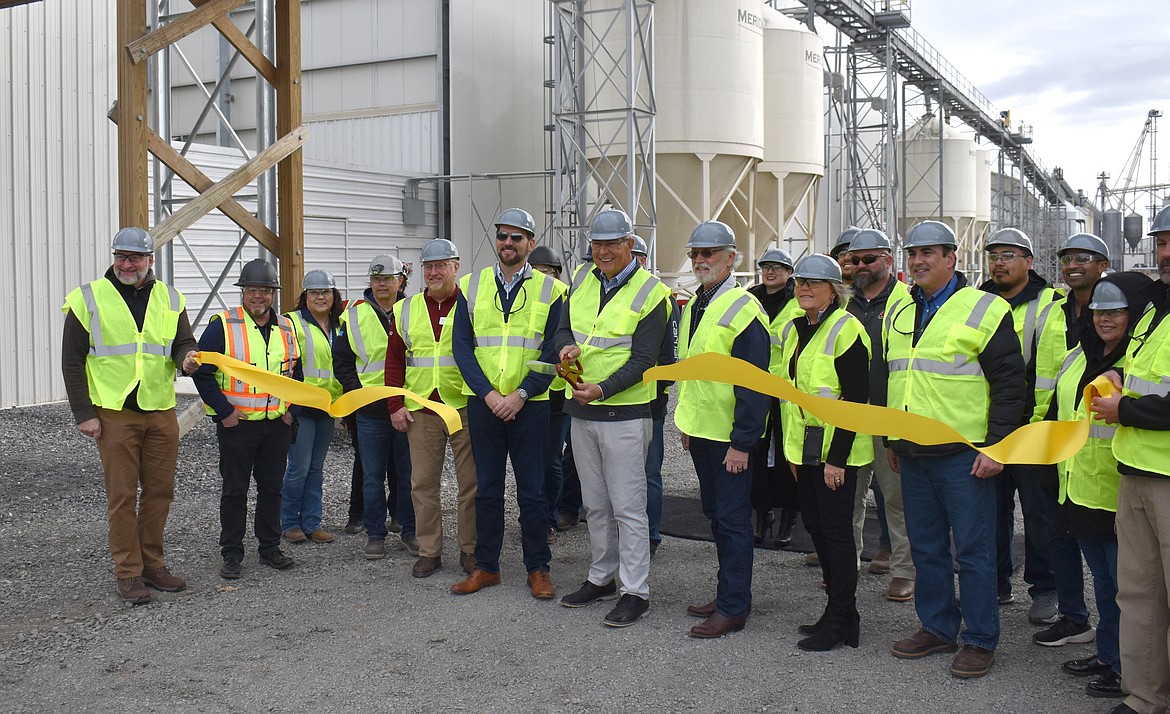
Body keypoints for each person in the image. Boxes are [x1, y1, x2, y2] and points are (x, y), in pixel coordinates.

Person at [882, 220, 1025, 679]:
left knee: (973, 551)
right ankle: (938, 627)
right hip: (915, 452)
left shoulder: (984, 308)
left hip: (965, 454)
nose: (918, 261)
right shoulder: (899, 309)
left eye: (929, 253)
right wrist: (892, 437)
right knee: (926, 548)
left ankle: (981, 639)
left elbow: (1009, 384)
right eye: (912, 254)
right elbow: (895, 376)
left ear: (951, 259)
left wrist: (997, 446)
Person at [61, 227, 199, 603]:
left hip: (159, 409)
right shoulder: (88, 298)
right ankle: (129, 572)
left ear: (149, 260)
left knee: (159, 492)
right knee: (121, 496)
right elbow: (71, 361)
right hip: (113, 412)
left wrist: (186, 358)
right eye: (120, 256)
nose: (126, 264)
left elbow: (182, 341)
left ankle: (153, 565)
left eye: (134, 258)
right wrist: (83, 413)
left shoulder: (170, 297)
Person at [554, 209, 673, 627]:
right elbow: (563, 329)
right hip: (582, 408)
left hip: (624, 412)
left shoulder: (652, 293)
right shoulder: (583, 280)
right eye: (597, 245)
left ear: (630, 245)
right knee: (595, 504)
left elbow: (645, 360)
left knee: (628, 506)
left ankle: (635, 590)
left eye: (612, 244)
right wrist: (566, 346)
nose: (603, 252)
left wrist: (602, 389)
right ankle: (601, 576)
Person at [450, 207, 563, 599]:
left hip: (529, 405)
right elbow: (462, 349)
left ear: (531, 244)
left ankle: (538, 568)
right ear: (495, 240)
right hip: (485, 404)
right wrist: (490, 395)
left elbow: (553, 349)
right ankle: (487, 567)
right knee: (487, 490)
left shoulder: (552, 291)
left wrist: (520, 394)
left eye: (517, 237)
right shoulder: (472, 285)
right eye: (503, 236)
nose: (509, 243)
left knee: (533, 490)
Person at [1052, 273, 1152, 701]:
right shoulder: (1079, 356)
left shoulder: (1136, 363)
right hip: (1079, 487)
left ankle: (1125, 667)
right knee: (1104, 583)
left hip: (1116, 488)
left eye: (1115, 312)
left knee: (1122, 588)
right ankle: (1109, 655)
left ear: (1132, 316)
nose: (1105, 319)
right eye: (1098, 312)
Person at [1090, 205, 1170, 714]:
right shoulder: (1155, 310)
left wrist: (1128, 408)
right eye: (1161, 242)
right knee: (1138, 595)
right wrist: (1121, 383)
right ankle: (1144, 697)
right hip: (1136, 469)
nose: (1165, 253)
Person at [675, 220, 771, 638]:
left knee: (732, 520)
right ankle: (729, 593)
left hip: (731, 439)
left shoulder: (743, 307)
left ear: (731, 258)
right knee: (716, 516)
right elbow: (696, 371)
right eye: (696, 253)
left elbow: (754, 383)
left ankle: (733, 606)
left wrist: (743, 443)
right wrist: (688, 423)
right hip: (703, 432)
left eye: (709, 253)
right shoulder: (699, 303)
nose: (700, 260)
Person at [778, 254, 871, 651]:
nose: (803, 288)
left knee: (836, 535)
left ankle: (841, 617)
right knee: (816, 527)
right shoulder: (798, 328)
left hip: (837, 453)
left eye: (814, 283)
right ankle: (840, 613)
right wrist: (796, 455)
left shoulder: (846, 329)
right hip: (805, 449)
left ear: (835, 291)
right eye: (800, 282)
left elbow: (855, 400)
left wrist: (836, 458)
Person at [977, 228, 1065, 623]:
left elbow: (1054, 370)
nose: (999, 262)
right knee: (989, 511)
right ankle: (996, 584)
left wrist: (1042, 423)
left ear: (1028, 261)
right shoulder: (975, 303)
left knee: (1038, 512)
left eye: (1008, 255)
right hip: (987, 425)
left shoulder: (1050, 304)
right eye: (993, 255)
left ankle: (1044, 589)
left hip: (1031, 425)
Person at [193, 258, 300, 580]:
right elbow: (202, 373)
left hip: (276, 424)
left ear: (273, 294)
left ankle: (269, 549)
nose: (258, 296)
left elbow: (295, 371)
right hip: (237, 426)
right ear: (243, 292)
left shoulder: (286, 327)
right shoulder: (223, 326)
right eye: (252, 290)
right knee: (235, 491)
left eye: (265, 291)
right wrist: (224, 412)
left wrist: (292, 409)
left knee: (272, 490)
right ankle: (232, 553)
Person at [1028, 233, 1110, 646]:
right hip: (1052, 433)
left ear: (1102, 264)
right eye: (1066, 259)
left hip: (1096, 438)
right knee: (1055, 530)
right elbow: (1040, 371)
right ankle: (1073, 616)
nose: (1072, 265)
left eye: (1083, 258)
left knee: (1097, 538)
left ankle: (1112, 630)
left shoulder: (1116, 310)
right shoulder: (1051, 309)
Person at [385, 239, 478, 578]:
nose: (434, 272)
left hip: (465, 405)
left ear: (456, 267)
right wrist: (395, 404)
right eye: (428, 267)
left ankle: (470, 550)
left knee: (471, 484)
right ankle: (429, 551)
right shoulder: (405, 309)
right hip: (421, 408)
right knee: (422, 484)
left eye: (441, 265)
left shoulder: (472, 306)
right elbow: (394, 361)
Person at [843, 228, 915, 602]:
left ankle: (904, 570)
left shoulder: (907, 303)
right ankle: (846, 564)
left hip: (887, 413)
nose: (861, 266)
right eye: (855, 260)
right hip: (850, 413)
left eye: (869, 259)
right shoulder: (844, 302)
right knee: (849, 495)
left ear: (888, 260)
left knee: (896, 497)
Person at [333, 255, 416, 561]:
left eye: (388, 279)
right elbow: (342, 362)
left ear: (401, 281)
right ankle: (375, 535)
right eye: (376, 279)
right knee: (371, 476)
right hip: (369, 410)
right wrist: (357, 394)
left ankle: (408, 529)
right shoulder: (352, 316)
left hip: (406, 406)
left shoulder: (412, 310)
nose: (382, 285)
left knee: (408, 474)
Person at [280, 270, 343, 546]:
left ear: (333, 295)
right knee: (299, 468)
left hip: (327, 407)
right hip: (301, 407)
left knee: (316, 468)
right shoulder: (291, 322)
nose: (320, 297)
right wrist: (287, 405)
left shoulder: (339, 324)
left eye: (325, 292)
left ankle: (312, 522)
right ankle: (290, 522)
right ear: (305, 296)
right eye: (315, 292)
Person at [747, 247, 803, 548]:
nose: (771, 272)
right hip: (756, 388)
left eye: (778, 267)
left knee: (786, 455)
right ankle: (763, 513)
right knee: (756, 456)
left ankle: (789, 516)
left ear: (789, 273)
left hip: (786, 392)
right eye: (766, 266)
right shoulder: (749, 299)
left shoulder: (799, 303)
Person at [634, 234, 679, 558]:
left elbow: (670, 355)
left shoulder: (661, 296)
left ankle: (650, 536)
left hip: (649, 404)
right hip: (612, 402)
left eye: (637, 256)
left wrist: (658, 391)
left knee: (648, 472)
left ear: (644, 261)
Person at [529, 244, 571, 544]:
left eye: (548, 272)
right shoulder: (524, 299)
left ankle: (550, 518)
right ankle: (533, 515)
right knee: (532, 460)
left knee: (552, 459)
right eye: (537, 272)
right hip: (531, 389)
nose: (543, 277)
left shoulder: (570, 299)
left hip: (558, 394)